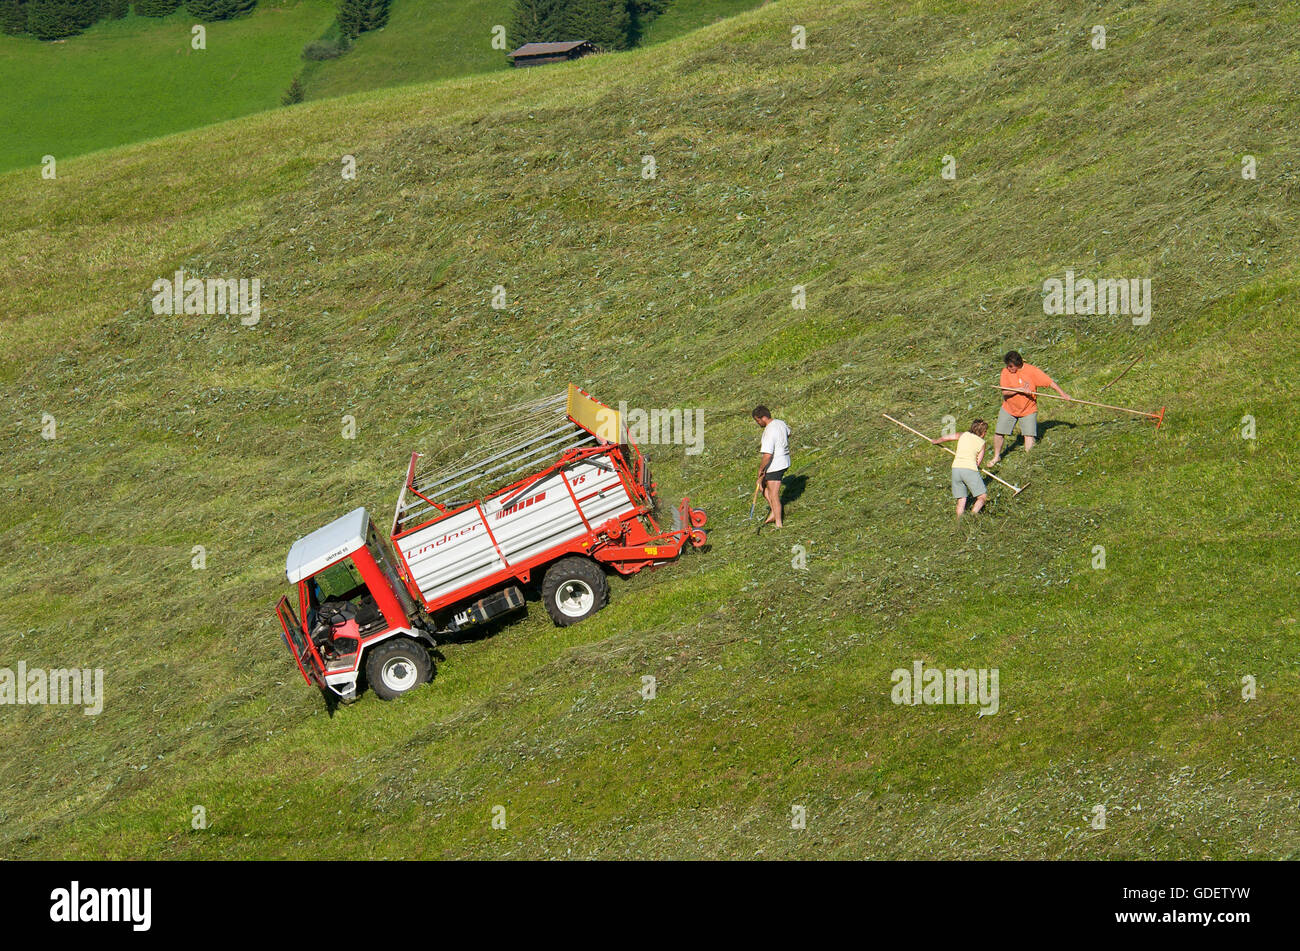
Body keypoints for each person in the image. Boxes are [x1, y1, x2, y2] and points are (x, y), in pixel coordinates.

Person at [991, 351, 1071, 464]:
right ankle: (996, 456)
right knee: (999, 433)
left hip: (1028, 410)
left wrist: (1063, 394)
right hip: (1009, 408)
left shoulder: (1032, 371)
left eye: (1010, 366)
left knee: (1028, 436)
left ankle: (1030, 461)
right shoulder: (1005, 372)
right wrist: (1019, 389)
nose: (1008, 368)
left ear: (1017, 364)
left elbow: (1050, 382)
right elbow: (1005, 392)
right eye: (1007, 366)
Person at [933, 419, 989, 519]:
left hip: (956, 469)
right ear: (983, 433)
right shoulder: (982, 443)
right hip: (969, 469)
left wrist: (937, 441)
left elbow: (948, 437)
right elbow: (977, 462)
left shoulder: (963, 434)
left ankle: (959, 522)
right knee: (982, 497)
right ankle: (973, 516)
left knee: (961, 499)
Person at [752, 405, 791, 528]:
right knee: (762, 486)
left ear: (763, 418)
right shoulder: (780, 423)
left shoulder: (769, 431)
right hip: (784, 461)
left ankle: (779, 523)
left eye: (757, 420)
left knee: (773, 494)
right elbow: (789, 433)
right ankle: (774, 511)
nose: (758, 423)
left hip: (776, 464)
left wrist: (761, 469)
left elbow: (768, 455)